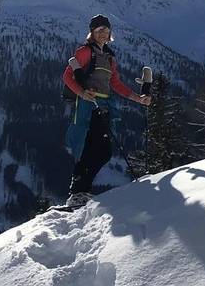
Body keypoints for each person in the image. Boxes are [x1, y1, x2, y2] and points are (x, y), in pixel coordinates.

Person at [61, 14, 151, 208]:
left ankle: (80, 191)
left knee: (101, 151)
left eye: (106, 29)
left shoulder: (110, 57)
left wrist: (138, 98)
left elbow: (115, 84)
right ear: (92, 32)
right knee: (95, 149)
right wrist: (82, 93)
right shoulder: (85, 52)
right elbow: (67, 76)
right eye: (99, 30)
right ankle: (78, 192)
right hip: (88, 106)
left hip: (104, 105)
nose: (103, 33)